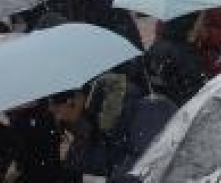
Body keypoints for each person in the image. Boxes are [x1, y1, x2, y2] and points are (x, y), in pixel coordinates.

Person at [47, 73, 176, 180]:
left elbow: (143, 168)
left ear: (73, 101)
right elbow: (112, 161)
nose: (58, 118)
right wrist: (74, 155)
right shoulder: (95, 117)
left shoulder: (151, 110)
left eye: (57, 112)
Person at [144, 13, 209, 107]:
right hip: (181, 107)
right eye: (197, 25)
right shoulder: (185, 55)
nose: (200, 27)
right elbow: (197, 89)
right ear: (188, 28)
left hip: (161, 105)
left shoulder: (155, 47)